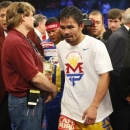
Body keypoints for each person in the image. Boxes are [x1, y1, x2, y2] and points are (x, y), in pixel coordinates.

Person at [1, 2, 57, 130]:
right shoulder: (16, 42)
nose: (34, 19)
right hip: (25, 102)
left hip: (27, 101)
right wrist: (53, 88)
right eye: (31, 15)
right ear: (22, 17)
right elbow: (34, 76)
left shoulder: (22, 38)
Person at [57, 6, 113, 130]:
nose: (66, 31)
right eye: (63, 27)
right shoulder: (60, 46)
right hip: (68, 112)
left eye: (70, 27)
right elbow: (66, 75)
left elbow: (105, 76)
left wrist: (94, 106)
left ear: (81, 26)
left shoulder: (96, 46)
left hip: (96, 112)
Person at [106, 8, 130, 130]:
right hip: (121, 101)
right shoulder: (121, 37)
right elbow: (117, 70)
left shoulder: (122, 35)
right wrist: (126, 94)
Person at [42, 17, 64, 130]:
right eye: (48, 32)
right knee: (51, 124)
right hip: (52, 92)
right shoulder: (44, 46)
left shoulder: (68, 43)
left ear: (60, 29)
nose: (51, 34)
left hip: (68, 92)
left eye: (53, 31)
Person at [0, 1, 12, 130]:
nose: (5, 19)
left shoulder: (28, 34)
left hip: (19, 92)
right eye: (1, 15)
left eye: (7, 15)